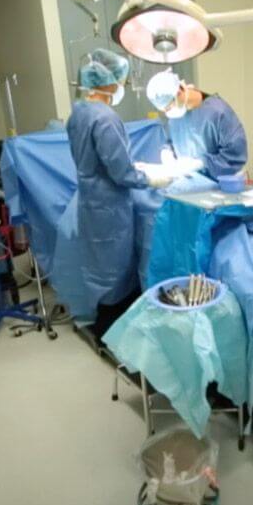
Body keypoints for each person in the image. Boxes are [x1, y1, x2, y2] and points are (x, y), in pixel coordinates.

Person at [68, 49, 171, 338]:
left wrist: (130, 165)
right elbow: (121, 172)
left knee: (100, 265)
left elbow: (102, 159)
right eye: (122, 80)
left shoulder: (78, 113)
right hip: (110, 205)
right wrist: (152, 177)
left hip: (91, 201)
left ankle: (104, 321)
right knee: (115, 267)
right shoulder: (106, 118)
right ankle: (114, 332)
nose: (122, 87)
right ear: (109, 81)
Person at [146, 69, 248, 179]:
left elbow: (236, 155)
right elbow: (171, 141)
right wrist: (167, 152)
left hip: (218, 185)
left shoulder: (218, 112)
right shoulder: (177, 115)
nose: (167, 113)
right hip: (188, 184)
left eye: (168, 108)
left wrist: (201, 163)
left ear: (178, 93)